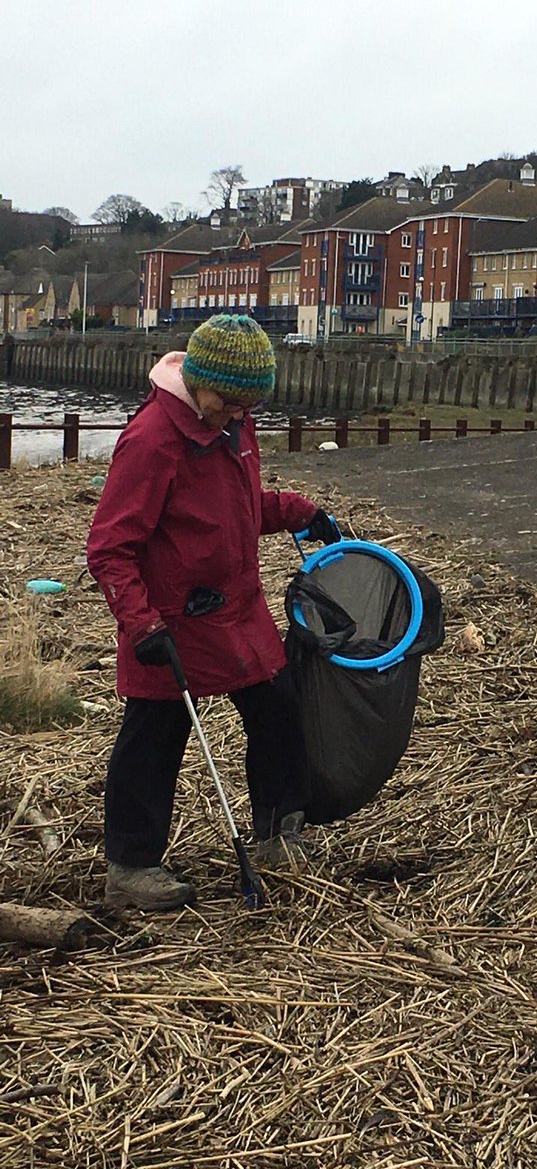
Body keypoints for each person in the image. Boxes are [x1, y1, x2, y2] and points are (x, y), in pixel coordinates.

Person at [87, 314, 342, 911]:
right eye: (227, 401)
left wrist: (297, 511)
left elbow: (237, 506)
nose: (236, 413)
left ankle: (280, 833)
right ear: (198, 380)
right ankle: (131, 866)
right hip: (169, 618)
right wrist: (141, 623)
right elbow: (110, 546)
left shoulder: (233, 423)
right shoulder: (152, 439)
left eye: (247, 405)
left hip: (235, 607)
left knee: (279, 711)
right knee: (154, 737)